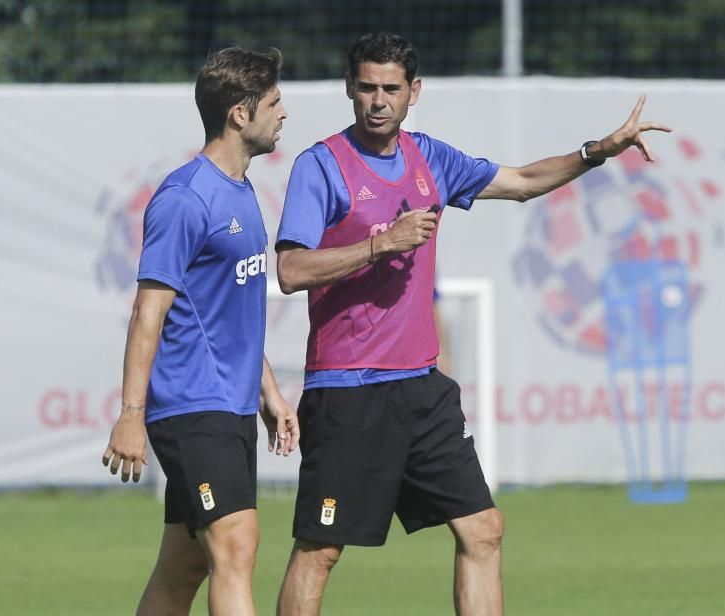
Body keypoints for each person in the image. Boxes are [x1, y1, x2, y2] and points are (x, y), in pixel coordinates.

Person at [274, 32, 670, 616]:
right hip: (348, 389)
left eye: (391, 88)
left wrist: (597, 152)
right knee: (321, 549)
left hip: (421, 388)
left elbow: (523, 183)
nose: (378, 100)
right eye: (366, 88)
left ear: (414, 92)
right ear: (349, 90)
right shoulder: (320, 166)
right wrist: (380, 244)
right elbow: (289, 269)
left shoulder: (430, 158)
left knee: (483, 530)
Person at [100, 47, 300, 616]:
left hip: (230, 405)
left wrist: (268, 393)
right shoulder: (185, 198)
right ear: (240, 113)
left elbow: (228, 312)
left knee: (184, 564)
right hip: (191, 404)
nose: (283, 114)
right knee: (236, 546)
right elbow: (147, 313)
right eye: (274, 102)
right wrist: (131, 415)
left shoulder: (241, 193)